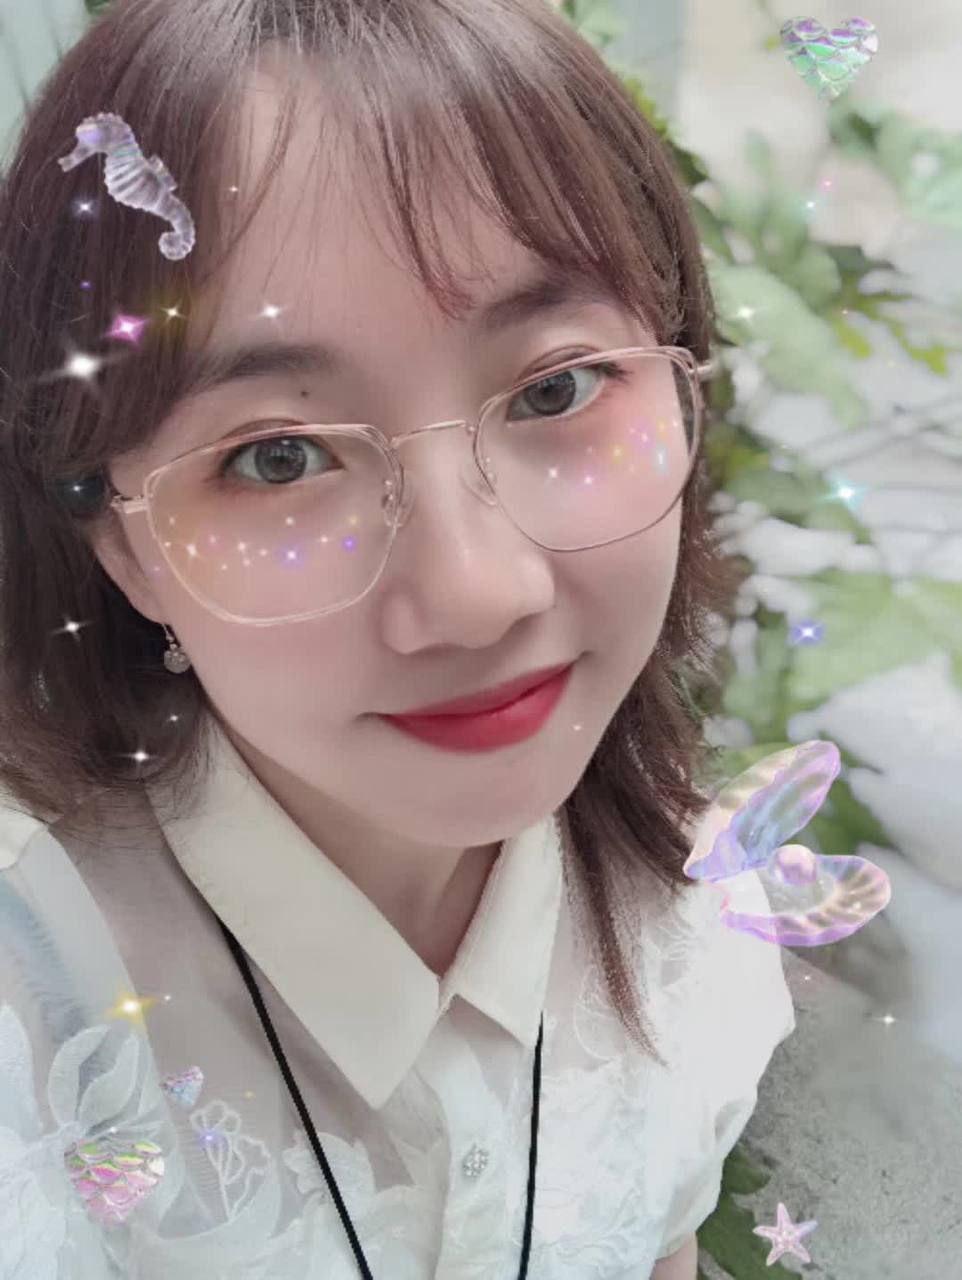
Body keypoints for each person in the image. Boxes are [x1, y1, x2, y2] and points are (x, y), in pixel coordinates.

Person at [0, 0, 795, 1275]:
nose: (478, 592)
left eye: (555, 388)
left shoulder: (696, 923)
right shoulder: (38, 1027)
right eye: (277, 457)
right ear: (119, 539)